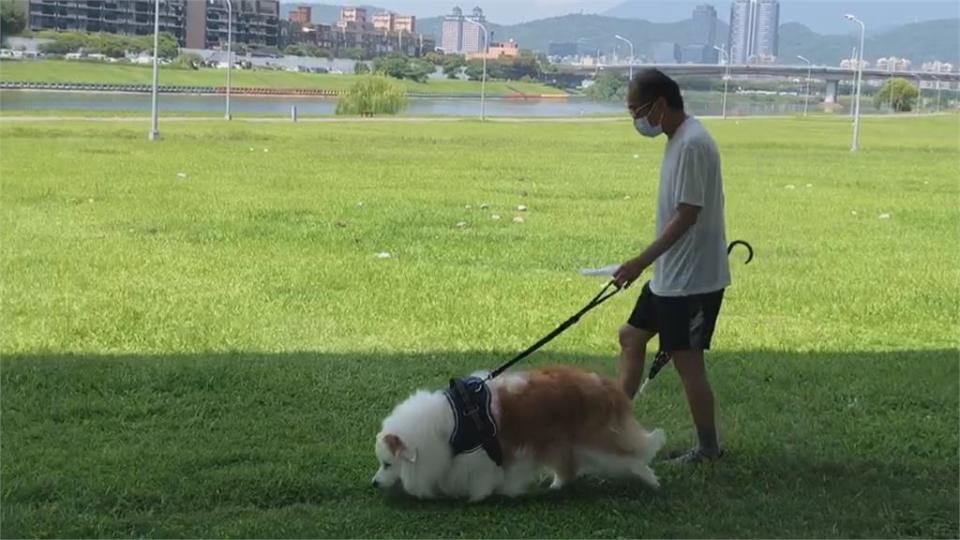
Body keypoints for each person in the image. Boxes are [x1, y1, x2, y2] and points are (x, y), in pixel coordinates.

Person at [612, 68, 730, 464]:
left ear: (659, 104)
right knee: (631, 336)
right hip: (670, 276)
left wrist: (639, 262)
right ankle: (614, 425)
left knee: (687, 362)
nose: (635, 121)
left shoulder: (693, 143)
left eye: (636, 111)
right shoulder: (677, 139)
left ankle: (708, 448)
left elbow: (687, 215)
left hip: (691, 281)